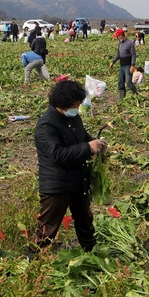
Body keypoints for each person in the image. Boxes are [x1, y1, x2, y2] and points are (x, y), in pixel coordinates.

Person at [33, 80, 107, 252]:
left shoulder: (73, 117)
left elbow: (82, 137)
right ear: (64, 103)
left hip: (77, 180)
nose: (79, 106)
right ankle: (32, 259)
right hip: (57, 185)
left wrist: (96, 144)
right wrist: (88, 147)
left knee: (85, 221)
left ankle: (91, 253)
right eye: (77, 103)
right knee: (48, 227)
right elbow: (57, 155)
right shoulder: (46, 125)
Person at [110, 29, 137, 99]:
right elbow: (118, 55)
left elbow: (133, 55)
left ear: (121, 35)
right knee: (120, 82)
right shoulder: (120, 44)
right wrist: (113, 61)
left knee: (128, 82)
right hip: (122, 66)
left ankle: (136, 95)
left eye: (117, 36)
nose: (117, 38)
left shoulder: (129, 43)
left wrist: (132, 65)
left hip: (128, 66)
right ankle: (122, 99)